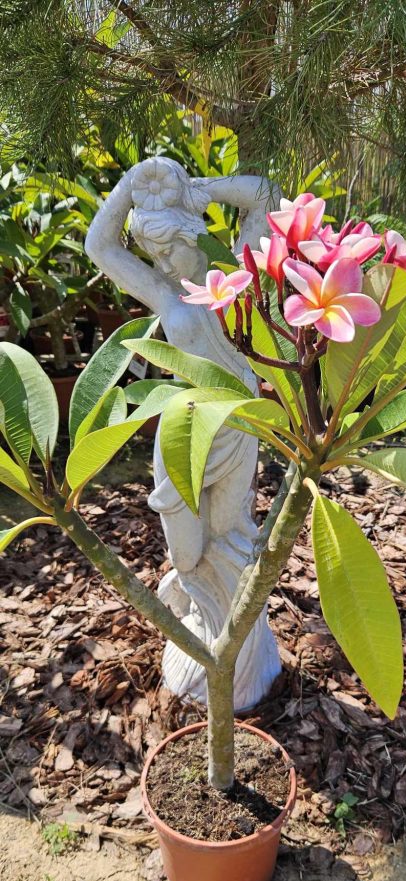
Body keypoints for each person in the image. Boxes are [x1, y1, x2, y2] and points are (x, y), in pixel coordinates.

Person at [85, 157, 281, 709]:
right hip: (183, 428)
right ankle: (200, 626)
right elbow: (100, 248)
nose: (167, 263)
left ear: (195, 234)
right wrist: (131, 188)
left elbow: (266, 190)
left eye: (173, 248)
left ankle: (239, 657)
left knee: (233, 536)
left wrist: (192, 192)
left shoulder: (238, 272)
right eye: (155, 256)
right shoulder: (166, 294)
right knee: (189, 555)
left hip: (238, 423)